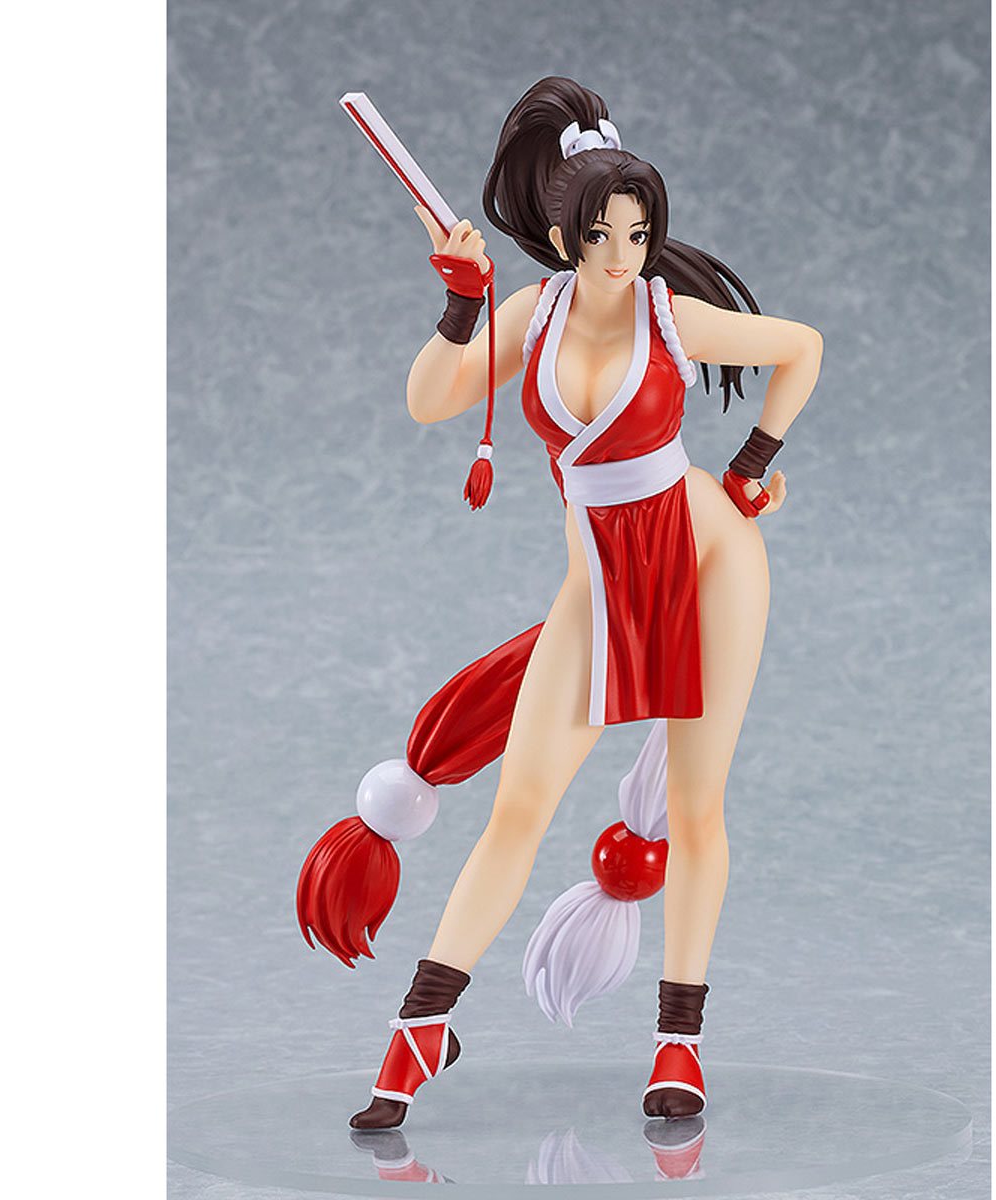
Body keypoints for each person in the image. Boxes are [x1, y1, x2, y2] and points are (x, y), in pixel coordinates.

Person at [300, 76, 823, 1130]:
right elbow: (430, 399)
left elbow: (800, 347)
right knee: (519, 810)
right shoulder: (530, 318)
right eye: (602, 236)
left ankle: (679, 1044)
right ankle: (422, 1028)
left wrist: (751, 466)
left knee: (697, 809)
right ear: (561, 235)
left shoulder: (671, 319)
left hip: (710, 564)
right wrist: (460, 300)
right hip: (601, 589)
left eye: (639, 234)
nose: (624, 256)